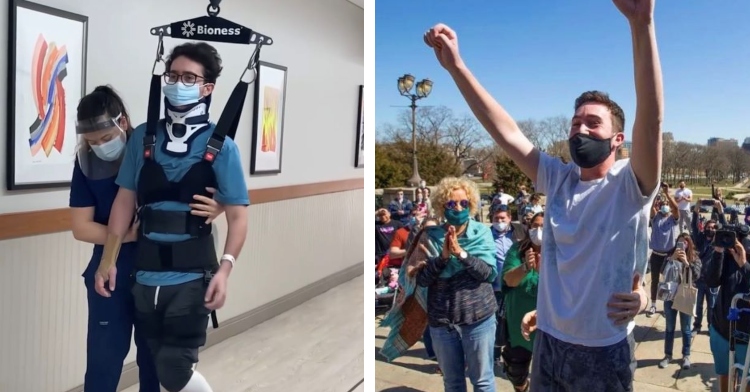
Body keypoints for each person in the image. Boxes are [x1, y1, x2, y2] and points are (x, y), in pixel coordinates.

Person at [424, 0, 661, 388]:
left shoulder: (629, 185)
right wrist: (456, 68)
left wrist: (642, 25)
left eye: (592, 123)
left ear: (618, 139)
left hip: (603, 350)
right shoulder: (558, 178)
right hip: (548, 341)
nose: (580, 130)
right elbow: (505, 131)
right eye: (575, 122)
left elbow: (651, 122)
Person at [96, 42, 250, 392]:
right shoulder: (143, 139)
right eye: (173, 75)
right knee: (156, 365)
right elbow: (124, 200)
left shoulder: (222, 147)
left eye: (189, 77)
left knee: (175, 368)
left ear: (207, 88)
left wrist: (225, 270)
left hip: (192, 277)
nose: (178, 82)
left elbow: (239, 217)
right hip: (146, 276)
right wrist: (109, 259)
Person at [69, 85, 225, 392]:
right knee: (103, 360)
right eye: (92, 142)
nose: (100, 146)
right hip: (110, 274)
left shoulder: (158, 152)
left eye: (105, 138)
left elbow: (209, 193)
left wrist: (219, 204)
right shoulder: (86, 165)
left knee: (155, 361)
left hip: (160, 272)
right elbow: (81, 227)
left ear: (123, 122)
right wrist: (126, 236)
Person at [415, 177, 497, 392]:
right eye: (451, 204)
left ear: (471, 205)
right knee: (452, 383)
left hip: (478, 320)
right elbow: (422, 280)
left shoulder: (482, 233)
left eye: (463, 203)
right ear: (442, 206)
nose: (458, 208)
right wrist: (442, 258)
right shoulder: (430, 237)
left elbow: (488, 274)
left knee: (483, 381)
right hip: (442, 323)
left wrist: (461, 253)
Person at [500, 212, 543, 392]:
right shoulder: (517, 250)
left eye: (544, 226)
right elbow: (509, 280)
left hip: (546, 326)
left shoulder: (561, 252)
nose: (539, 230)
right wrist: (525, 266)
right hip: (518, 326)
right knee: (516, 373)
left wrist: (543, 272)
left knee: (549, 375)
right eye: (535, 226)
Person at [704, 232, 750, 392]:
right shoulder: (729, 256)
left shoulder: (742, 260)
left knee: (747, 380)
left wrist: (744, 264)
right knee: (725, 375)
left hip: (747, 339)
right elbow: (711, 281)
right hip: (722, 332)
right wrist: (718, 251)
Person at [657, 232, 701, 370]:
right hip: (670, 296)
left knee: (686, 329)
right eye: (680, 242)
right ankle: (668, 355)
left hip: (685, 296)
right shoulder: (670, 255)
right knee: (669, 328)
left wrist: (687, 263)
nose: (682, 245)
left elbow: (697, 275)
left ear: (689, 244)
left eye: (685, 242)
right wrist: (672, 260)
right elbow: (662, 273)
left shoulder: (694, 258)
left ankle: (686, 355)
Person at [647, 184, 680, 317]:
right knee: (655, 281)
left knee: (669, 282)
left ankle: (667, 307)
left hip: (669, 255)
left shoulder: (673, 219)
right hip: (656, 255)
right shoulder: (656, 218)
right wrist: (655, 194)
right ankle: (653, 305)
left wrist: (667, 194)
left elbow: (676, 208)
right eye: (664, 204)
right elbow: (650, 207)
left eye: (667, 204)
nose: (666, 205)